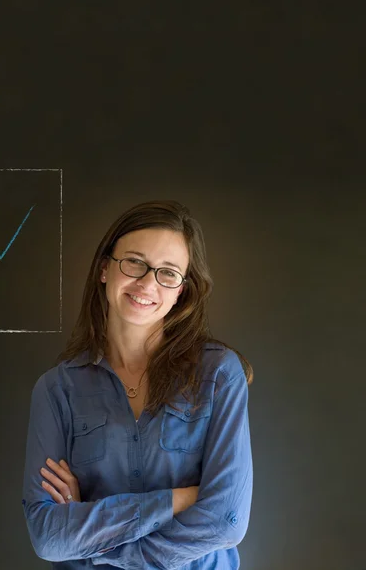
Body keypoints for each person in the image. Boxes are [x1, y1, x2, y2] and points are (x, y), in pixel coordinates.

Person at [22, 200, 253, 569]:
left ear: (181, 290)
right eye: (135, 262)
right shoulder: (56, 390)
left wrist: (94, 537)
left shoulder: (219, 374)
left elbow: (226, 522)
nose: (147, 282)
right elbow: (49, 537)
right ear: (103, 269)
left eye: (168, 272)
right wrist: (175, 500)